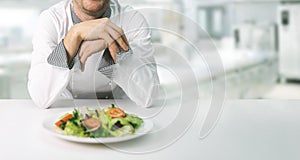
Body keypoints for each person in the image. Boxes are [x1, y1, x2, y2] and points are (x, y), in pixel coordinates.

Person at [28, 0, 160, 109]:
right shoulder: (51, 19)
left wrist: (115, 45)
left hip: (120, 109)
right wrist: (73, 36)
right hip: (66, 109)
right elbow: (41, 97)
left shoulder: (132, 19)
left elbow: (149, 96)